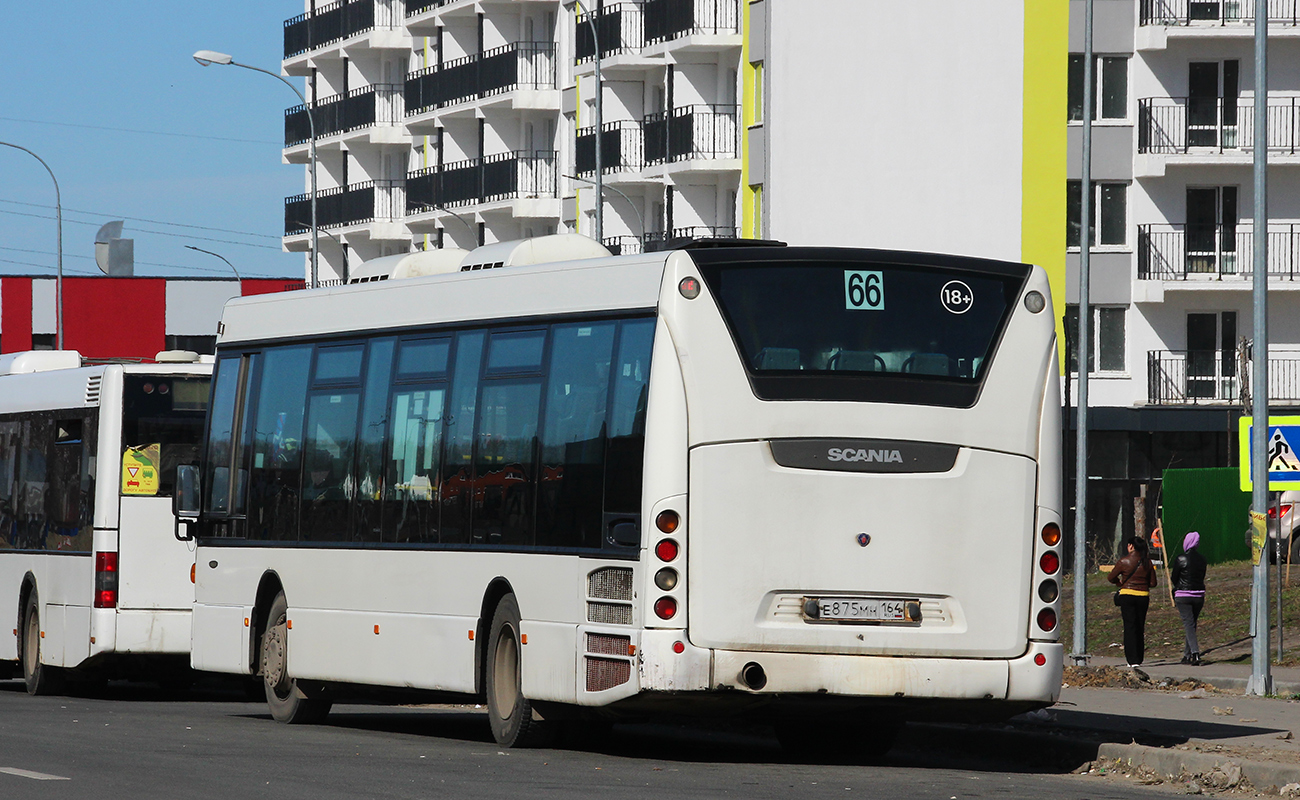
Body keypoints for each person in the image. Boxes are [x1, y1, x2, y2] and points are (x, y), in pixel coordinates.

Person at [1108, 536, 1157, 668]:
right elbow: (1153, 583)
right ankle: (1139, 658)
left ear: (1131, 546)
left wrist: (1120, 583)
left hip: (1127, 596)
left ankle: (1132, 660)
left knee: (1129, 627)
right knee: (1140, 626)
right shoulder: (1148, 563)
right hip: (1143, 596)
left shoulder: (1124, 561)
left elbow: (1111, 577)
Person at [1170, 530, 1208, 666]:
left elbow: (1174, 577)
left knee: (1188, 624)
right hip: (1199, 595)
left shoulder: (1181, 558)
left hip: (1183, 595)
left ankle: (1196, 654)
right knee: (1191, 625)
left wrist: (1178, 587)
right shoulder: (1202, 559)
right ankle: (1187, 655)